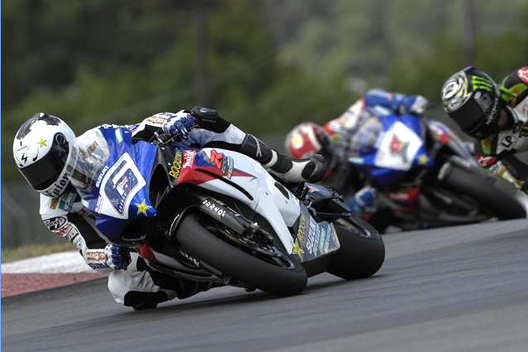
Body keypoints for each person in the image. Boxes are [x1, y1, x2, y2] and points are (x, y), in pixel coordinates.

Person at [12, 107, 326, 310]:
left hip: (153, 182)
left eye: (47, 166)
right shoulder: (52, 209)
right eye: (35, 174)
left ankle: (283, 167)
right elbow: (86, 248)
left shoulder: (95, 140)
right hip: (128, 234)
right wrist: (107, 256)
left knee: (203, 119)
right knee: (122, 289)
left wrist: (170, 122)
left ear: (64, 145)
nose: (46, 178)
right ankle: (203, 276)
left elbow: (137, 130)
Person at [285, 89, 428, 217]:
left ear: (325, 141)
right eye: (313, 162)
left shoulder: (336, 129)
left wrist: (400, 101)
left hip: (383, 156)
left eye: (322, 154)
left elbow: (368, 99)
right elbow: (333, 212)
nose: (323, 162)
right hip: (372, 192)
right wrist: (355, 204)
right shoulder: (316, 183)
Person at [441, 66, 528, 193]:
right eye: (462, 118)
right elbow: (522, 179)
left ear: (486, 96)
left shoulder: (520, 83)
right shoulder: (485, 151)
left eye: (471, 112)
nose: (470, 121)